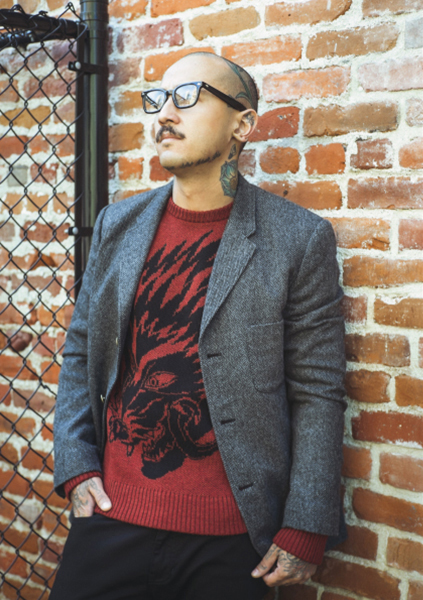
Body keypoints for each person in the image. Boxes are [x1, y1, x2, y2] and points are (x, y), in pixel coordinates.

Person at [51, 52, 347, 600]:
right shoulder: (118, 224)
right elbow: (82, 350)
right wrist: (75, 464)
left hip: (232, 541)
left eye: (188, 97)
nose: (165, 113)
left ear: (242, 123)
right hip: (112, 517)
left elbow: (318, 389)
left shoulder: (298, 239)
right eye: (158, 99)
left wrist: (307, 524)